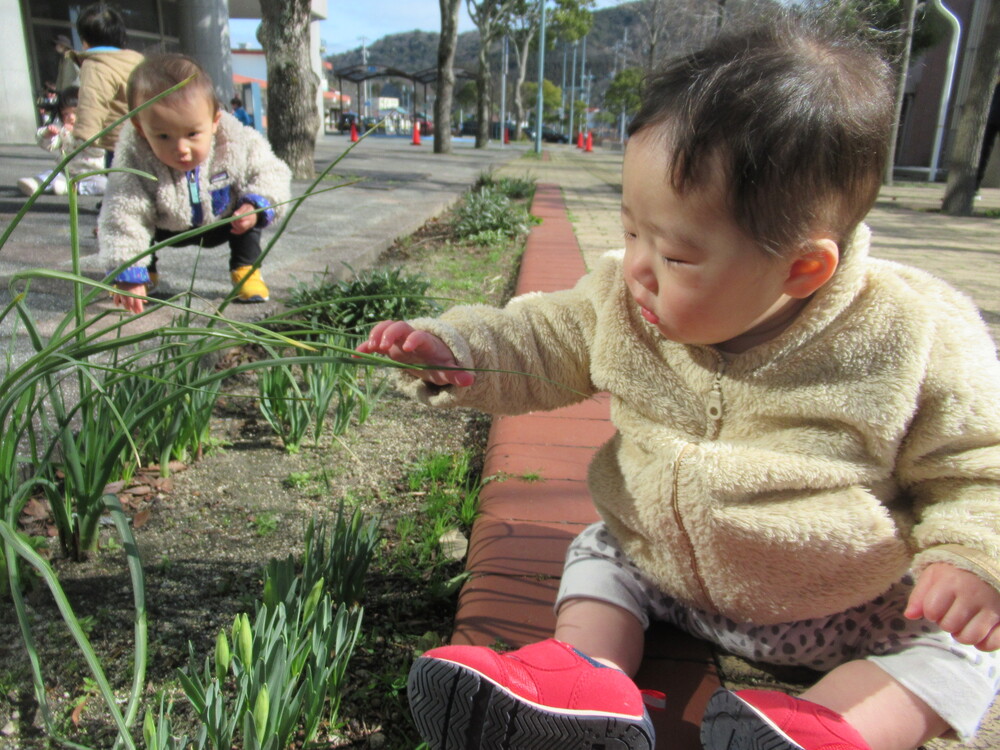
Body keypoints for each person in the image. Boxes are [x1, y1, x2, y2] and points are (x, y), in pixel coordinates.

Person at [357, 17, 1000, 750]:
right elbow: (544, 335)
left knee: (962, 649)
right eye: (632, 230)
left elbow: (980, 464)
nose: (636, 265)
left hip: (846, 600)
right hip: (663, 566)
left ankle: (834, 727)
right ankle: (582, 682)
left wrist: (972, 557)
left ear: (801, 269)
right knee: (600, 552)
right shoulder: (622, 301)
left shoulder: (910, 333)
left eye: (676, 254)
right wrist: (459, 346)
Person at [98, 54, 291, 313]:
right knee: (134, 217)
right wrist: (127, 271)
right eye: (164, 136)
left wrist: (256, 204)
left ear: (214, 121)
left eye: (192, 134)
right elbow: (123, 213)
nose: (181, 149)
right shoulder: (135, 158)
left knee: (250, 210)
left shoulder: (236, 141)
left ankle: (246, 269)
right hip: (166, 226)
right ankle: (145, 271)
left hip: (223, 221)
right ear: (141, 128)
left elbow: (272, 171)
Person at [71, 3, 144, 166]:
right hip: (147, 139)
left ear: (85, 40)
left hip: (117, 143)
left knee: (120, 186)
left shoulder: (97, 64)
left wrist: (83, 139)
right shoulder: (137, 61)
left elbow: (92, 103)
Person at [18, 86, 107, 197]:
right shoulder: (62, 128)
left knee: (105, 185)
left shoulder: (95, 128)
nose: (71, 117)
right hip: (66, 172)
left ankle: (72, 187)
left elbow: (99, 151)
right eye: (66, 114)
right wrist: (48, 134)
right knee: (50, 175)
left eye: (75, 112)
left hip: (91, 174)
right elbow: (50, 145)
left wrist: (78, 135)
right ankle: (35, 183)